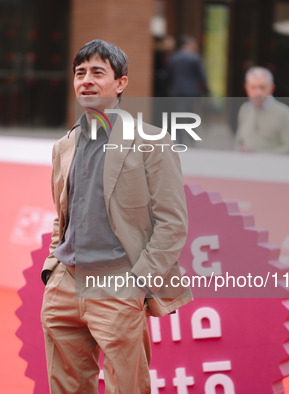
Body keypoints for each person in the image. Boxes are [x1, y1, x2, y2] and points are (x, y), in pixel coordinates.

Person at [40, 39, 193, 393]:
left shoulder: (152, 142)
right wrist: (52, 269)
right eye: (80, 73)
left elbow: (172, 223)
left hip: (118, 283)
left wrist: (137, 282)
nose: (86, 80)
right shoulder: (64, 146)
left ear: (120, 83)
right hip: (65, 284)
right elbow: (62, 215)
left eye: (98, 72)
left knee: (127, 388)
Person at [235, 66, 289, 154]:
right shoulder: (244, 110)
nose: (258, 92)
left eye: (262, 87)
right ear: (246, 88)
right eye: (253, 87)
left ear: (271, 88)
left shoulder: (283, 113)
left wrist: (258, 154)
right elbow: (238, 143)